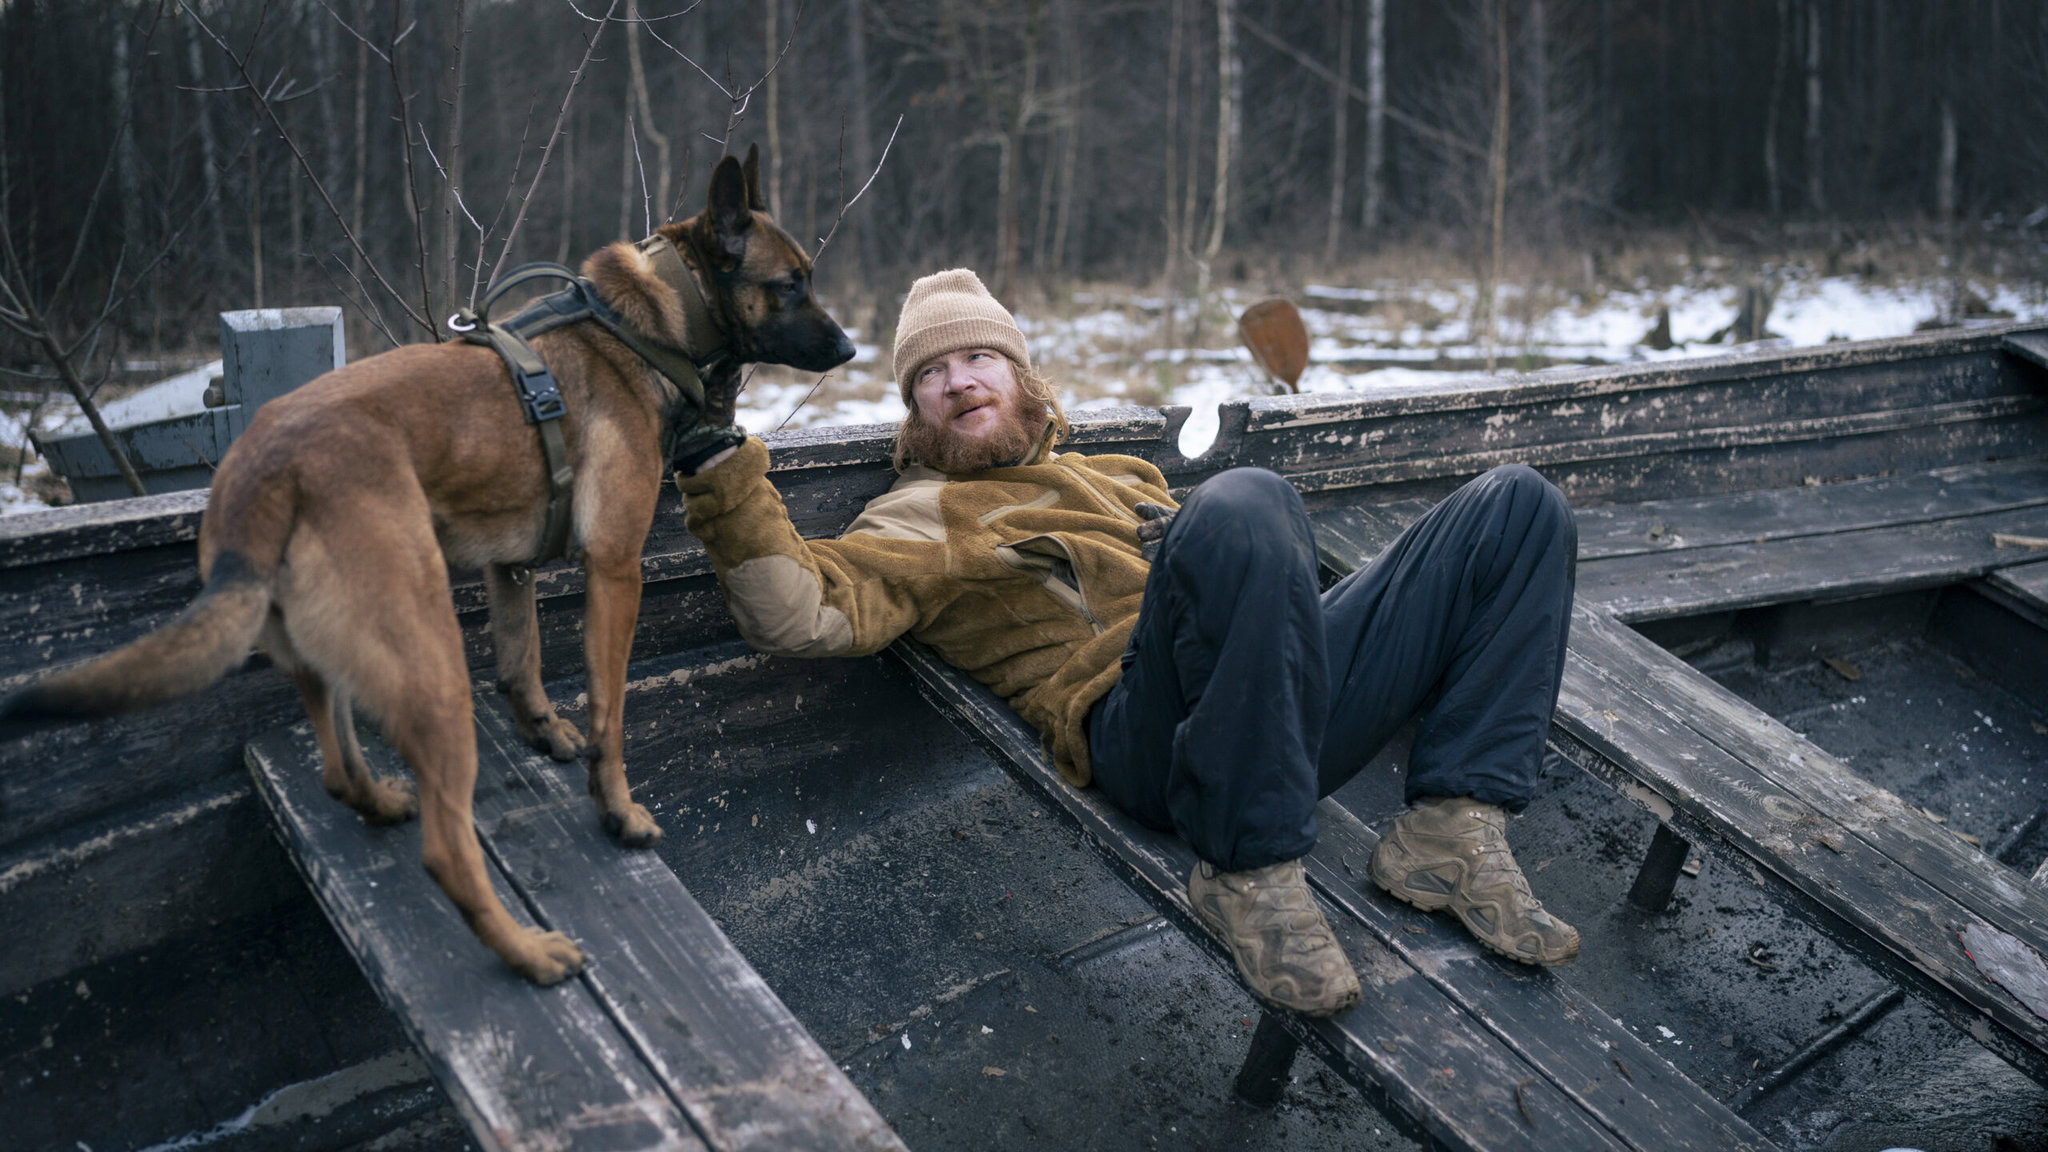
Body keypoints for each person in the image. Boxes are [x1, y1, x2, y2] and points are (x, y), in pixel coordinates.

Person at [671, 269, 1579, 1018]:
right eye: (930, 376)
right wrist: (721, 472)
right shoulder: (915, 517)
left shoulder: (1114, 475)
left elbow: (1245, 598)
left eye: (978, 354)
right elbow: (795, 613)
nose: (958, 380)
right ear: (915, 412)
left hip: (1267, 714)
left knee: (1516, 505)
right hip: (1145, 739)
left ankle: (1452, 832)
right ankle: (1249, 875)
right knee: (1248, 498)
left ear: (1022, 376)